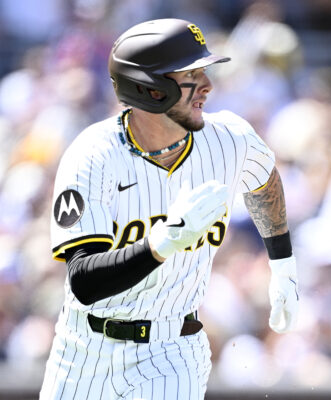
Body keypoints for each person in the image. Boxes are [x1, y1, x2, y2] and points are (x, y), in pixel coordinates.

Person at [40, 18, 299, 400]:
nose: (208, 85)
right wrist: (161, 242)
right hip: (84, 348)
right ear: (150, 88)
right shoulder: (93, 155)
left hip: (174, 349)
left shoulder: (231, 139)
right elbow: (84, 282)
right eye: (191, 74)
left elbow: (264, 181)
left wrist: (283, 265)